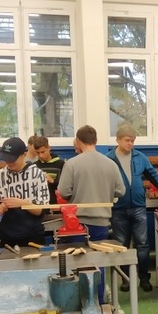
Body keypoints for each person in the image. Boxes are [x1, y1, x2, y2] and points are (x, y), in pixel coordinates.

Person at [57, 125, 126, 302]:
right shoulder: (111, 164)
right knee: (98, 264)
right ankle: (99, 303)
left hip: (77, 224)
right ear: (95, 140)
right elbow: (121, 191)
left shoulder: (72, 164)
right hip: (102, 222)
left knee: (78, 265)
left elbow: (63, 191)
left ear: (78, 141)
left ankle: (79, 304)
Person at [107, 125, 158, 292]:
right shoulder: (109, 159)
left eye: (133, 141)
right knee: (122, 245)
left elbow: (153, 175)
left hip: (139, 207)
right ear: (118, 140)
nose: (130, 144)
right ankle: (125, 279)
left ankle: (144, 278)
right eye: (127, 140)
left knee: (143, 244)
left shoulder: (140, 157)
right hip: (118, 209)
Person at [0, 137, 50, 248]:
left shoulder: (37, 174)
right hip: (7, 235)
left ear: (24, 154)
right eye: (6, 159)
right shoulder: (0, 175)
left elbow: (42, 210)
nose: (9, 163)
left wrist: (22, 203)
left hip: (33, 235)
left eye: (12, 159)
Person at [32, 135, 65, 205]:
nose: (40, 155)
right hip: (39, 204)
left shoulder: (61, 164)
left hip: (55, 204)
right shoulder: (34, 166)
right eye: (38, 153)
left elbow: (65, 186)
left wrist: (52, 181)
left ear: (49, 148)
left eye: (43, 152)